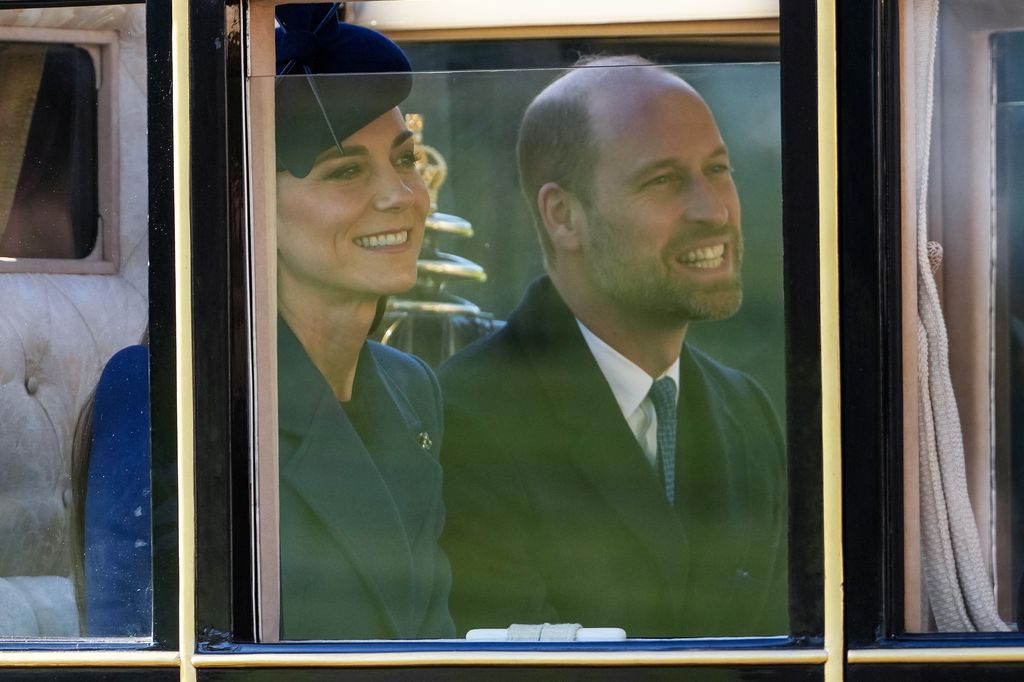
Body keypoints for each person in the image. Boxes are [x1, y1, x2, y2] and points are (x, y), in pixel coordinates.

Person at [438, 56, 787, 638]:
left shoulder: (748, 413)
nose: (715, 210)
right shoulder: (466, 414)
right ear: (562, 216)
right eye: (663, 180)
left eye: (718, 170)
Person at [273, 4, 454, 640]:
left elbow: (431, 638)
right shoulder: (177, 393)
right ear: (250, 203)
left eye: (406, 160)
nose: (400, 197)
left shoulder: (412, 389)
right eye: (346, 170)